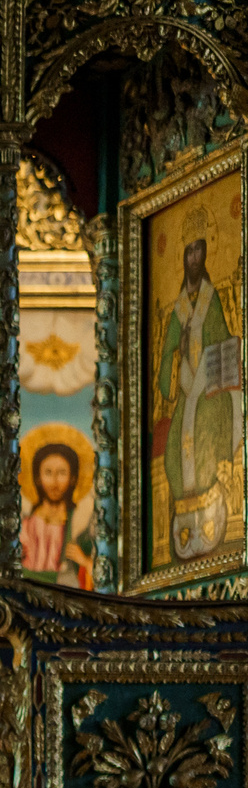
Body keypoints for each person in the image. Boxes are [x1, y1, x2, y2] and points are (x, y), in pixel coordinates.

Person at [154, 234, 240, 558]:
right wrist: (174, 362)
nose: (193, 257)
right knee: (175, 448)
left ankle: (213, 511)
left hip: (209, 387)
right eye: (188, 251)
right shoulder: (178, 307)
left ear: (204, 255)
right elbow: (166, 353)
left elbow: (222, 337)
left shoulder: (211, 299)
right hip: (188, 386)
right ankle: (187, 521)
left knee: (206, 432)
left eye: (198, 251)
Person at [20, 439, 94, 589]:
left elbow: (100, 572)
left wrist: (84, 561)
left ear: (73, 478)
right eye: (48, 473)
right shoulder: (25, 525)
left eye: (62, 473)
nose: (54, 482)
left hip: (65, 592)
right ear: (38, 478)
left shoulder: (79, 524)